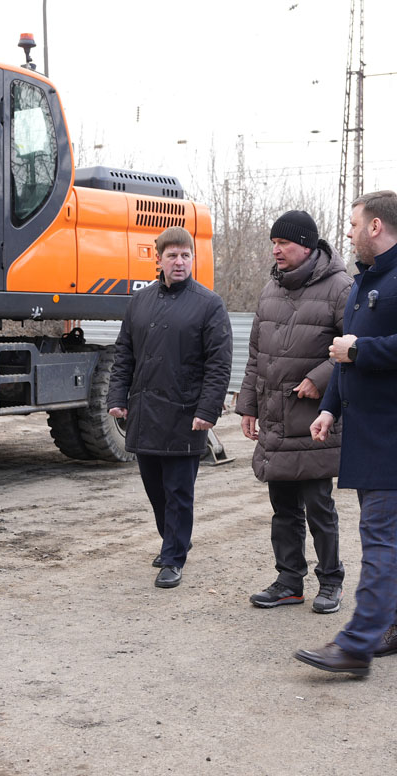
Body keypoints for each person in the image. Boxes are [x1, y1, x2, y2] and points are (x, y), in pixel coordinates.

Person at [294, 190, 397, 677]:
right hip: (371, 431)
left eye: (353, 224)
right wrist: (329, 407)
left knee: (380, 535)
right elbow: (344, 356)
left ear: (376, 226)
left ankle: (356, 644)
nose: (348, 233)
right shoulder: (366, 280)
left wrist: (360, 350)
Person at [236, 211, 353, 613]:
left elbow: (356, 346)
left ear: (306, 245)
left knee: (319, 506)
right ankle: (289, 581)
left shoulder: (340, 288)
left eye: (283, 243)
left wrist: (320, 378)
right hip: (275, 415)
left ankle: (331, 581)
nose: (276, 250)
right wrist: (248, 406)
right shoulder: (271, 289)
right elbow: (256, 354)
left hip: (314, 417)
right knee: (283, 508)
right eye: (274, 243)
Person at [108, 226, 233, 589]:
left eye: (186, 255)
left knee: (179, 491)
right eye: (172, 255)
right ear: (158, 258)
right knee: (155, 490)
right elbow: (124, 355)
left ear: (193, 259)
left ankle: (174, 557)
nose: (180, 262)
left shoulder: (209, 304)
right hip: (145, 412)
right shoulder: (140, 302)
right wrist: (116, 398)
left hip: (185, 414)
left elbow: (219, 364)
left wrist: (207, 410)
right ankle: (174, 539)